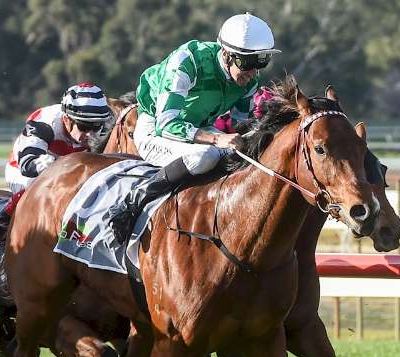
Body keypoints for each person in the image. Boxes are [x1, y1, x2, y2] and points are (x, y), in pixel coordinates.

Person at [106, 12, 280, 243]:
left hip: (199, 129)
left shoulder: (248, 81)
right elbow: (167, 125)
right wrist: (217, 139)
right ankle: (131, 203)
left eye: (261, 62)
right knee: (205, 156)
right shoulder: (187, 62)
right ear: (226, 54)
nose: (254, 72)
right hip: (154, 129)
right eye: (248, 63)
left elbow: (243, 126)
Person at [0, 82, 114, 265]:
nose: (90, 134)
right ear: (66, 119)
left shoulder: (103, 127)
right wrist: (56, 166)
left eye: (96, 126)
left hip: (71, 170)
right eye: (83, 126)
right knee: (40, 187)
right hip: (27, 170)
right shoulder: (45, 122)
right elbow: (27, 164)